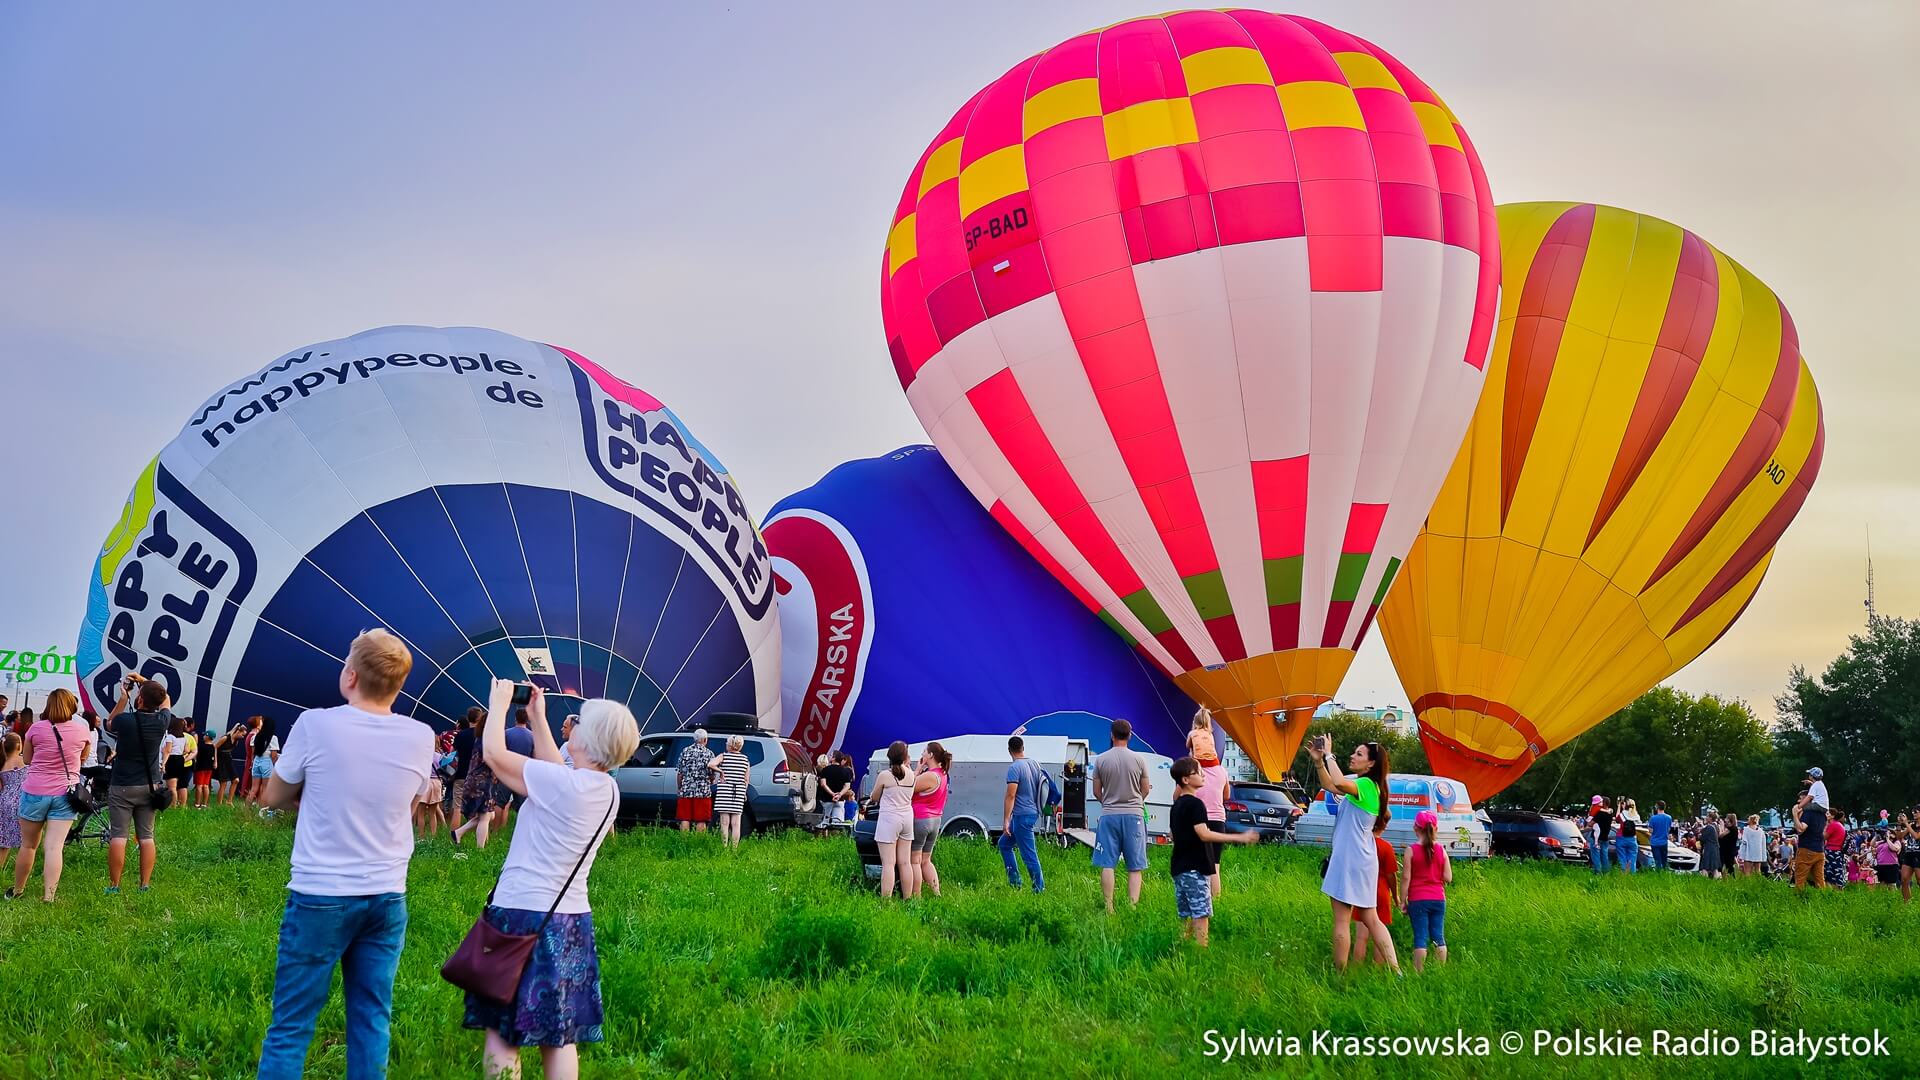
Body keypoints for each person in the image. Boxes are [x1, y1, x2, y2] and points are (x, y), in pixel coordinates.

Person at [256, 628, 433, 1080]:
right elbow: (408, 805)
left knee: (291, 1024)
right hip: (387, 895)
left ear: (350, 676)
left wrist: (315, 794)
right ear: (399, 684)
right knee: (372, 1019)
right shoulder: (421, 735)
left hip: (321, 893)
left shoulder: (315, 724)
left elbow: (273, 796)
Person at [463, 681, 634, 1080]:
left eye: (580, 722)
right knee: (559, 1034)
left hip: (520, 915)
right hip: (570, 921)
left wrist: (498, 704)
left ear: (587, 740)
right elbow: (558, 774)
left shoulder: (563, 786)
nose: (573, 725)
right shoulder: (606, 789)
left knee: (503, 1031)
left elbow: (493, 754)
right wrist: (539, 718)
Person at [1307, 734, 1398, 973]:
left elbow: (1337, 782)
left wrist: (1329, 754)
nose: (1352, 756)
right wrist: (1318, 762)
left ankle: (1340, 975)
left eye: (1359, 754)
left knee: (1341, 921)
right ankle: (1396, 971)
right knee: (1371, 918)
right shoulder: (1370, 788)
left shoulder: (1366, 785)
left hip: (1348, 859)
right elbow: (1330, 786)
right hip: (1362, 860)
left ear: (1371, 764)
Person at [9, 687, 91, 902]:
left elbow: (27, 759)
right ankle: (49, 896)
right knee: (54, 847)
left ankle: (17, 890)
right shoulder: (82, 731)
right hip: (66, 793)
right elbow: (83, 758)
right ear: (72, 706)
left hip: (35, 791)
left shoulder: (36, 729)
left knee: (28, 845)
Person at [1167, 756, 1255, 948]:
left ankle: (1181, 949)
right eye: (1198, 772)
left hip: (1179, 868)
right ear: (1185, 779)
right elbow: (1203, 834)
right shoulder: (1196, 804)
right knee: (1201, 915)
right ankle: (1201, 952)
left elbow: (1173, 835)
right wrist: (1238, 838)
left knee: (1186, 915)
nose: (1203, 775)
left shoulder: (1176, 806)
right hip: (1195, 868)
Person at [103, 677, 172, 893]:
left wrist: (124, 698)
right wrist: (144, 680)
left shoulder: (125, 721)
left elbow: (109, 723)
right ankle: (144, 885)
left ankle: (114, 886)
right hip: (149, 786)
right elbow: (165, 698)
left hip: (122, 785)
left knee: (118, 836)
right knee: (146, 837)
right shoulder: (162, 721)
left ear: (139, 699)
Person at [1090, 719, 1150, 914]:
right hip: (1134, 816)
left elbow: (1096, 791)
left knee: (1107, 864)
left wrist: (1108, 802)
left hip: (1109, 815)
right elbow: (1145, 789)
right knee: (1135, 866)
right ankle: (1132, 908)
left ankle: (1109, 907)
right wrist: (1135, 802)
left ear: (1112, 735)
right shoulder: (1139, 759)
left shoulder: (1101, 760)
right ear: (1130, 735)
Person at [1400, 809, 1452, 973]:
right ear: (1435, 829)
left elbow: (1406, 878)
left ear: (1415, 828)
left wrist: (1402, 900)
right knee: (1438, 937)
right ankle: (1439, 972)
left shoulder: (1411, 850)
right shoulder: (1441, 850)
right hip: (1438, 899)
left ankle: (1418, 973)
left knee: (1420, 938)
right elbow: (1448, 877)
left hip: (1418, 900)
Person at [1348, 808, 1399, 967]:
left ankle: (1356, 967)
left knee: (1361, 937)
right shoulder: (1386, 847)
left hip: (1362, 891)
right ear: (1385, 825)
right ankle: (1378, 969)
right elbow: (1391, 875)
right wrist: (1395, 896)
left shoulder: (1361, 844)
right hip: (1381, 893)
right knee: (1379, 931)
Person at [998, 735, 1045, 893]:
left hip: (1022, 816)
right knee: (1004, 844)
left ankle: (1039, 889)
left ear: (1009, 750)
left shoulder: (1015, 768)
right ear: (1023, 748)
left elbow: (1011, 795)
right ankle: (1015, 882)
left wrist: (1006, 820)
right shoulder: (1034, 764)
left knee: (1029, 854)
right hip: (1032, 812)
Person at [871, 740, 915, 898]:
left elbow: (874, 797)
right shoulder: (912, 774)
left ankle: (886, 902)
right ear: (905, 756)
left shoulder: (885, 775)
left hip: (889, 819)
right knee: (905, 862)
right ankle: (908, 899)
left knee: (888, 864)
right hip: (907, 818)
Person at [453, 712, 501, 850]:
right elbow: (489, 759)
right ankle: (480, 850)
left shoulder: (479, 738)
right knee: (485, 816)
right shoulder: (488, 740)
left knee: (489, 815)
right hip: (483, 781)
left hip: (473, 779)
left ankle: (458, 832)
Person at [909, 742, 950, 898]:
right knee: (926, 860)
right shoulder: (942, 774)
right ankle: (936, 893)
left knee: (914, 861)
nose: (922, 754)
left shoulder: (929, 776)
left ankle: (916, 897)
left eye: (924, 751)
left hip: (921, 819)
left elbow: (908, 788)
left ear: (931, 755)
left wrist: (917, 770)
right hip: (935, 820)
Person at [1196, 754, 1232, 898]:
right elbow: (1226, 796)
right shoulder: (1221, 771)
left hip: (1197, 820)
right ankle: (1216, 900)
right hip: (1218, 820)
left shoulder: (1192, 770)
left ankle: (1198, 899)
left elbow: (1177, 795)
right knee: (1214, 864)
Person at [709, 735, 750, 849]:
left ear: (731, 745)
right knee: (736, 824)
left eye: (727, 742)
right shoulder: (745, 759)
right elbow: (746, 779)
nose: (726, 744)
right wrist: (744, 792)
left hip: (724, 791)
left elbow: (711, 764)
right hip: (739, 791)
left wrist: (721, 771)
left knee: (724, 823)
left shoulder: (724, 756)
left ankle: (724, 847)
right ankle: (734, 848)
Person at [674, 729, 715, 833]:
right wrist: (710, 781)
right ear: (705, 739)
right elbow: (712, 775)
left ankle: (684, 840)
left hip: (686, 789)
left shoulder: (685, 751)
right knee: (701, 819)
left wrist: (679, 788)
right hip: (703, 792)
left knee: (685, 818)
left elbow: (680, 773)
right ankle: (698, 841)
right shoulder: (709, 754)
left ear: (694, 739)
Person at [450, 708, 482, 831]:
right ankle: (477, 836)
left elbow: (452, 753)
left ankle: (454, 835)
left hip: (461, 774)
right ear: (479, 718)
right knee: (479, 809)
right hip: (477, 776)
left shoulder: (460, 735)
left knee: (457, 807)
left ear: (468, 719)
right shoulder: (482, 736)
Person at [0, 733, 26, 877]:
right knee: (27, 841)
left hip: (4, 802)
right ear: (18, 746)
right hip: (23, 801)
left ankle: (1, 868)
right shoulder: (25, 762)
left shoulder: (2, 763)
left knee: (4, 840)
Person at [1790, 793, 1825, 889]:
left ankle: (1799, 896)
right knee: (1819, 880)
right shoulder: (1822, 814)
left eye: (1801, 799)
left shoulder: (1808, 813)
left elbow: (1800, 829)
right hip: (1820, 850)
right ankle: (1824, 897)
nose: (1798, 801)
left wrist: (1795, 814)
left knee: (1800, 878)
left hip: (1806, 849)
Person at [818, 751, 856, 824]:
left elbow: (823, 784)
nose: (829, 757)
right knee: (838, 823)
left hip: (826, 799)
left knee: (824, 822)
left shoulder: (825, 770)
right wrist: (839, 795)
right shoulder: (845, 771)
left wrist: (832, 794)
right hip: (840, 800)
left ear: (834, 758)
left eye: (831, 755)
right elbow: (847, 786)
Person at [161, 715, 189, 810]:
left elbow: (168, 751)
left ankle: (173, 806)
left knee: (172, 786)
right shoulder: (184, 737)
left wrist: (163, 763)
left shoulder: (170, 737)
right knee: (178, 784)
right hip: (180, 759)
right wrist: (180, 753)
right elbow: (187, 750)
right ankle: (178, 805)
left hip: (172, 760)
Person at [1587, 796, 1613, 873]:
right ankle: (1606, 871)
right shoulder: (1610, 813)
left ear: (1603, 803)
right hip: (1605, 837)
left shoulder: (1600, 813)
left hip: (1596, 838)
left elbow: (1590, 824)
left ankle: (1597, 871)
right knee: (1604, 855)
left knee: (1596, 855)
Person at [1824, 811, 1848, 888]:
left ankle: (1832, 888)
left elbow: (1824, 837)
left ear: (1833, 816)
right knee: (1837, 871)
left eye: (1828, 814)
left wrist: (1824, 826)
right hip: (1837, 851)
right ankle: (1838, 887)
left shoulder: (1833, 825)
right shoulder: (1839, 825)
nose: (1826, 815)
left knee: (1829, 872)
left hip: (1831, 851)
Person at [1648, 801, 1673, 870]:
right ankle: (1664, 873)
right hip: (1664, 842)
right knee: (1664, 861)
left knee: (1657, 861)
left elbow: (1650, 830)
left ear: (1657, 807)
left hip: (1655, 842)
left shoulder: (1653, 818)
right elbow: (1668, 829)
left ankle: (1658, 873)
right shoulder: (1669, 817)